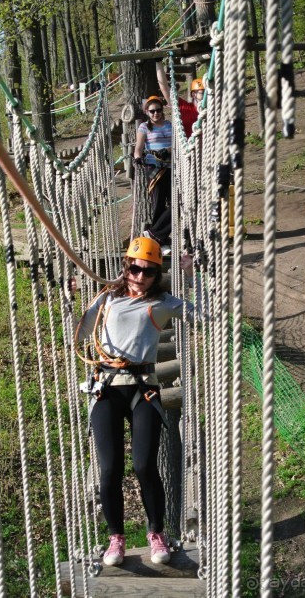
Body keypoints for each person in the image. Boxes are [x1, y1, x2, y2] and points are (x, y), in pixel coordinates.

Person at [72, 236, 196, 567]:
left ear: (158, 275)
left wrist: (192, 278)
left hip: (145, 389)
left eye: (148, 272)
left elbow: (204, 316)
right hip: (107, 387)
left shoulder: (164, 302)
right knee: (109, 468)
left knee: (143, 464)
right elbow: (81, 333)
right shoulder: (107, 298)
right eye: (135, 268)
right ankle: (116, 538)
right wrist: (68, 300)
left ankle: (156, 533)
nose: (140, 276)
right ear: (126, 267)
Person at [133, 96, 172, 254]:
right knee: (158, 204)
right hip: (154, 167)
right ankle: (160, 241)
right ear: (147, 112)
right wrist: (137, 158)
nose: (156, 113)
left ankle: (154, 234)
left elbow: (177, 143)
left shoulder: (170, 125)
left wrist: (167, 151)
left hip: (171, 167)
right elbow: (139, 147)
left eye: (158, 110)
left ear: (162, 111)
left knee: (176, 203)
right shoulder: (144, 127)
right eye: (152, 111)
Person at [156, 61, 204, 138]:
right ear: (193, 94)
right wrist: (158, 62)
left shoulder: (213, 109)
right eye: (202, 93)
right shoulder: (184, 107)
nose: (206, 96)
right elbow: (166, 90)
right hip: (188, 148)